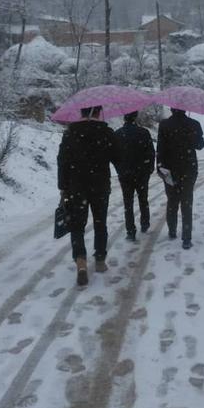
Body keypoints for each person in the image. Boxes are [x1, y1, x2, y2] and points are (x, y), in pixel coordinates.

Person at [57, 105, 119, 286]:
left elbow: (62, 161)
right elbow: (119, 158)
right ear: (98, 113)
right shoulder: (106, 132)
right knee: (100, 222)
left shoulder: (70, 133)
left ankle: (81, 261)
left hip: (77, 188)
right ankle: (100, 260)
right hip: (100, 186)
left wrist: (63, 187)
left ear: (81, 113)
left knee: (77, 225)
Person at [156, 107, 204, 249]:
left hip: (169, 169)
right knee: (187, 201)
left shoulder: (164, 125)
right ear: (185, 109)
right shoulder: (194, 124)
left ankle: (172, 231)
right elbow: (200, 145)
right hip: (189, 168)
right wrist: (190, 136)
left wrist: (159, 168)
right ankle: (186, 238)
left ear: (171, 109)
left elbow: (160, 148)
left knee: (172, 200)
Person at [114, 111, 155, 241]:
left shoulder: (118, 134)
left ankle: (130, 231)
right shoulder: (144, 132)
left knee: (128, 203)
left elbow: (113, 157)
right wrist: (149, 169)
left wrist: (119, 169)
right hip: (142, 173)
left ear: (124, 117)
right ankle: (145, 223)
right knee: (143, 199)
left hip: (125, 174)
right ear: (135, 117)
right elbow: (151, 153)